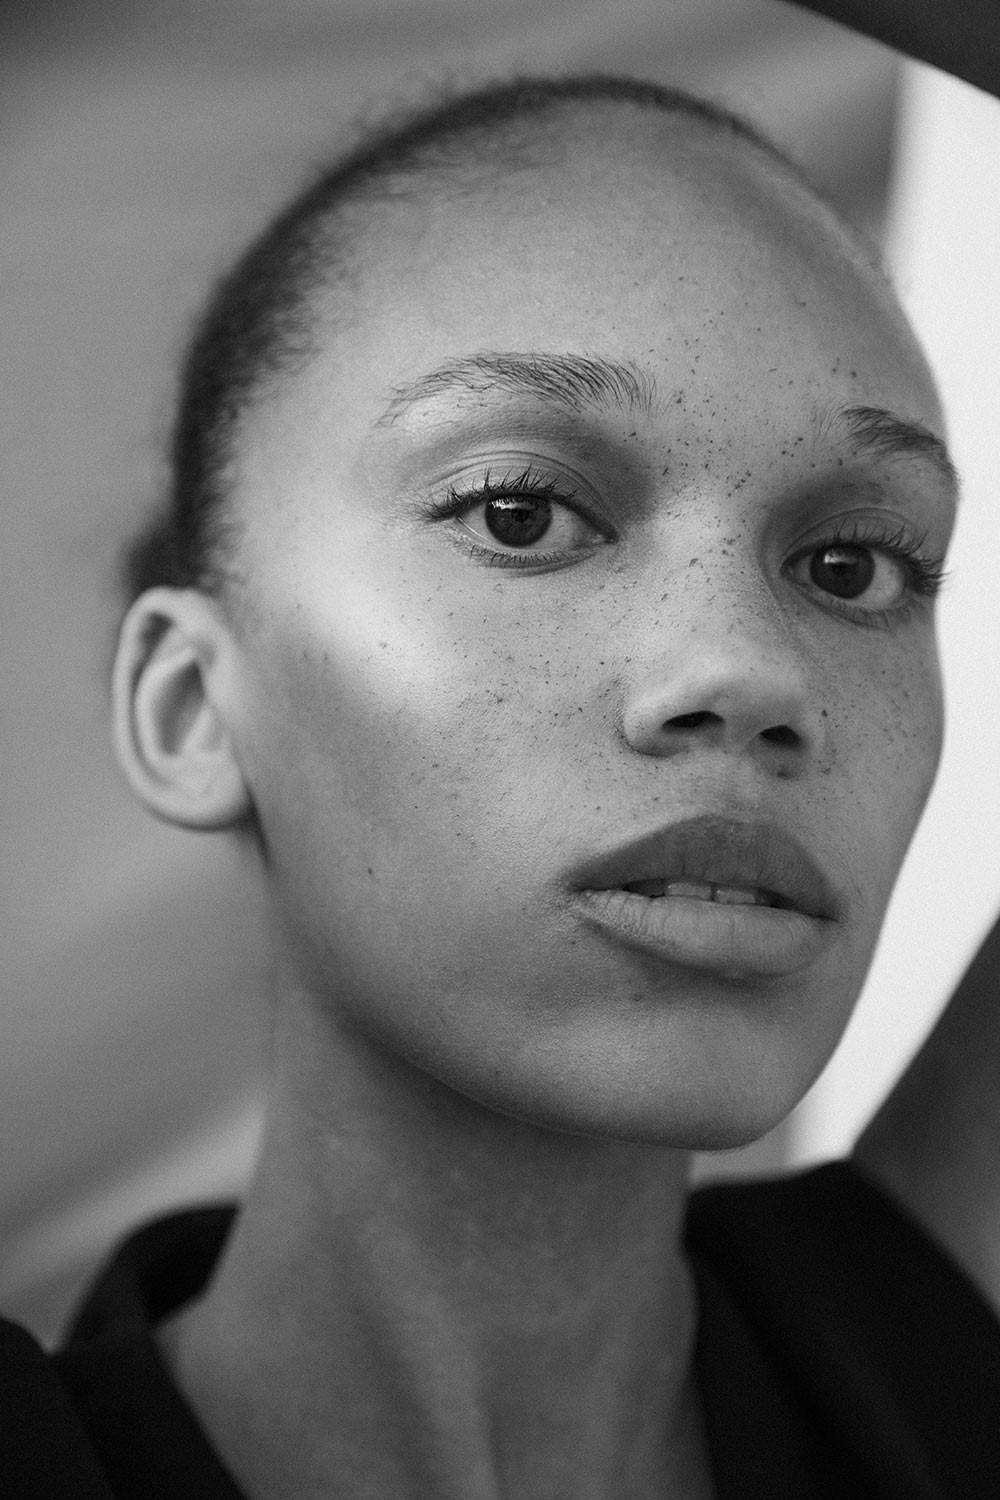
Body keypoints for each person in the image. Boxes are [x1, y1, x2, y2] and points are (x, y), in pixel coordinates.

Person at [2, 68, 999, 1500]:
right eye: (521, 516)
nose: (748, 669)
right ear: (194, 708)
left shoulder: (914, 1365)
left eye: (852, 566)